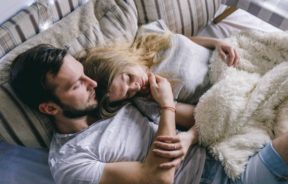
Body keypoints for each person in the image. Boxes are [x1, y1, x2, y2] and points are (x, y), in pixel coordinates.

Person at [10, 44, 288, 184]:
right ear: (49, 107)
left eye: (83, 72)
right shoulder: (70, 164)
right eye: (76, 85)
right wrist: (165, 105)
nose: (91, 82)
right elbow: (159, 177)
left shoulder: (111, 102)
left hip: (223, 153)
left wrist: (189, 134)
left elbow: (201, 116)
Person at [77, 32, 239, 123]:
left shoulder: (147, 36)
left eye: (127, 78)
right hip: (229, 87)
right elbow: (200, 117)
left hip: (227, 54)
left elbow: (184, 40)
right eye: (127, 93)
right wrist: (165, 101)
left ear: (119, 60)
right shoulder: (148, 100)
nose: (135, 87)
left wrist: (216, 42)